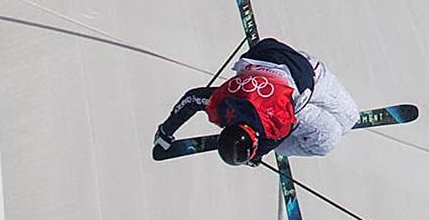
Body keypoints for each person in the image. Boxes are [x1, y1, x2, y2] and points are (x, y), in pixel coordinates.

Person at [153, 37, 360, 166]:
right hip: (266, 55)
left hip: (311, 77)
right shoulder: (224, 106)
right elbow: (191, 98)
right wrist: (165, 130)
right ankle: (321, 122)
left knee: (335, 133)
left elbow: (278, 135)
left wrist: (257, 155)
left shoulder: (273, 128)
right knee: (344, 119)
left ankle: (307, 137)